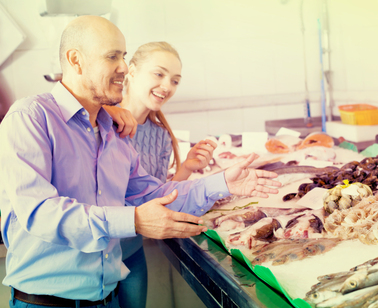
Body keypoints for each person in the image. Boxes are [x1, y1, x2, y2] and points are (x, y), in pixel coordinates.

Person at [0, 15, 281, 308]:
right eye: (112, 56)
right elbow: (39, 212)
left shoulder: (115, 134)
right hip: (45, 304)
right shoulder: (30, 117)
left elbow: (154, 195)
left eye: (123, 55)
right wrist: (133, 220)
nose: (124, 66)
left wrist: (222, 182)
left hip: (106, 299)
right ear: (76, 60)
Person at [103, 42, 218, 308]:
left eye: (175, 80)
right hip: (95, 253)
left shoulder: (160, 135)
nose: (167, 85)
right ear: (131, 71)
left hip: (131, 253)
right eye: (159, 74)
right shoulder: (100, 122)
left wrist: (187, 168)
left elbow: (154, 196)